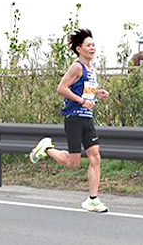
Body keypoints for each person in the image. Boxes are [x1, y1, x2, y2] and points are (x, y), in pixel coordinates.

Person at [30, 28, 110, 213]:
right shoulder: (76, 67)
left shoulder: (91, 69)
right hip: (74, 118)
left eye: (93, 45)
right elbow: (62, 88)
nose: (92, 48)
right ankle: (46, 148)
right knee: (73, 163)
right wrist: (82, 101)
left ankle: (93, 199)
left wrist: (98, 93)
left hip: (87, 118)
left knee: (95, 157)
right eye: (88, 45)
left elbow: (83, 89)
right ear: (79, 48)